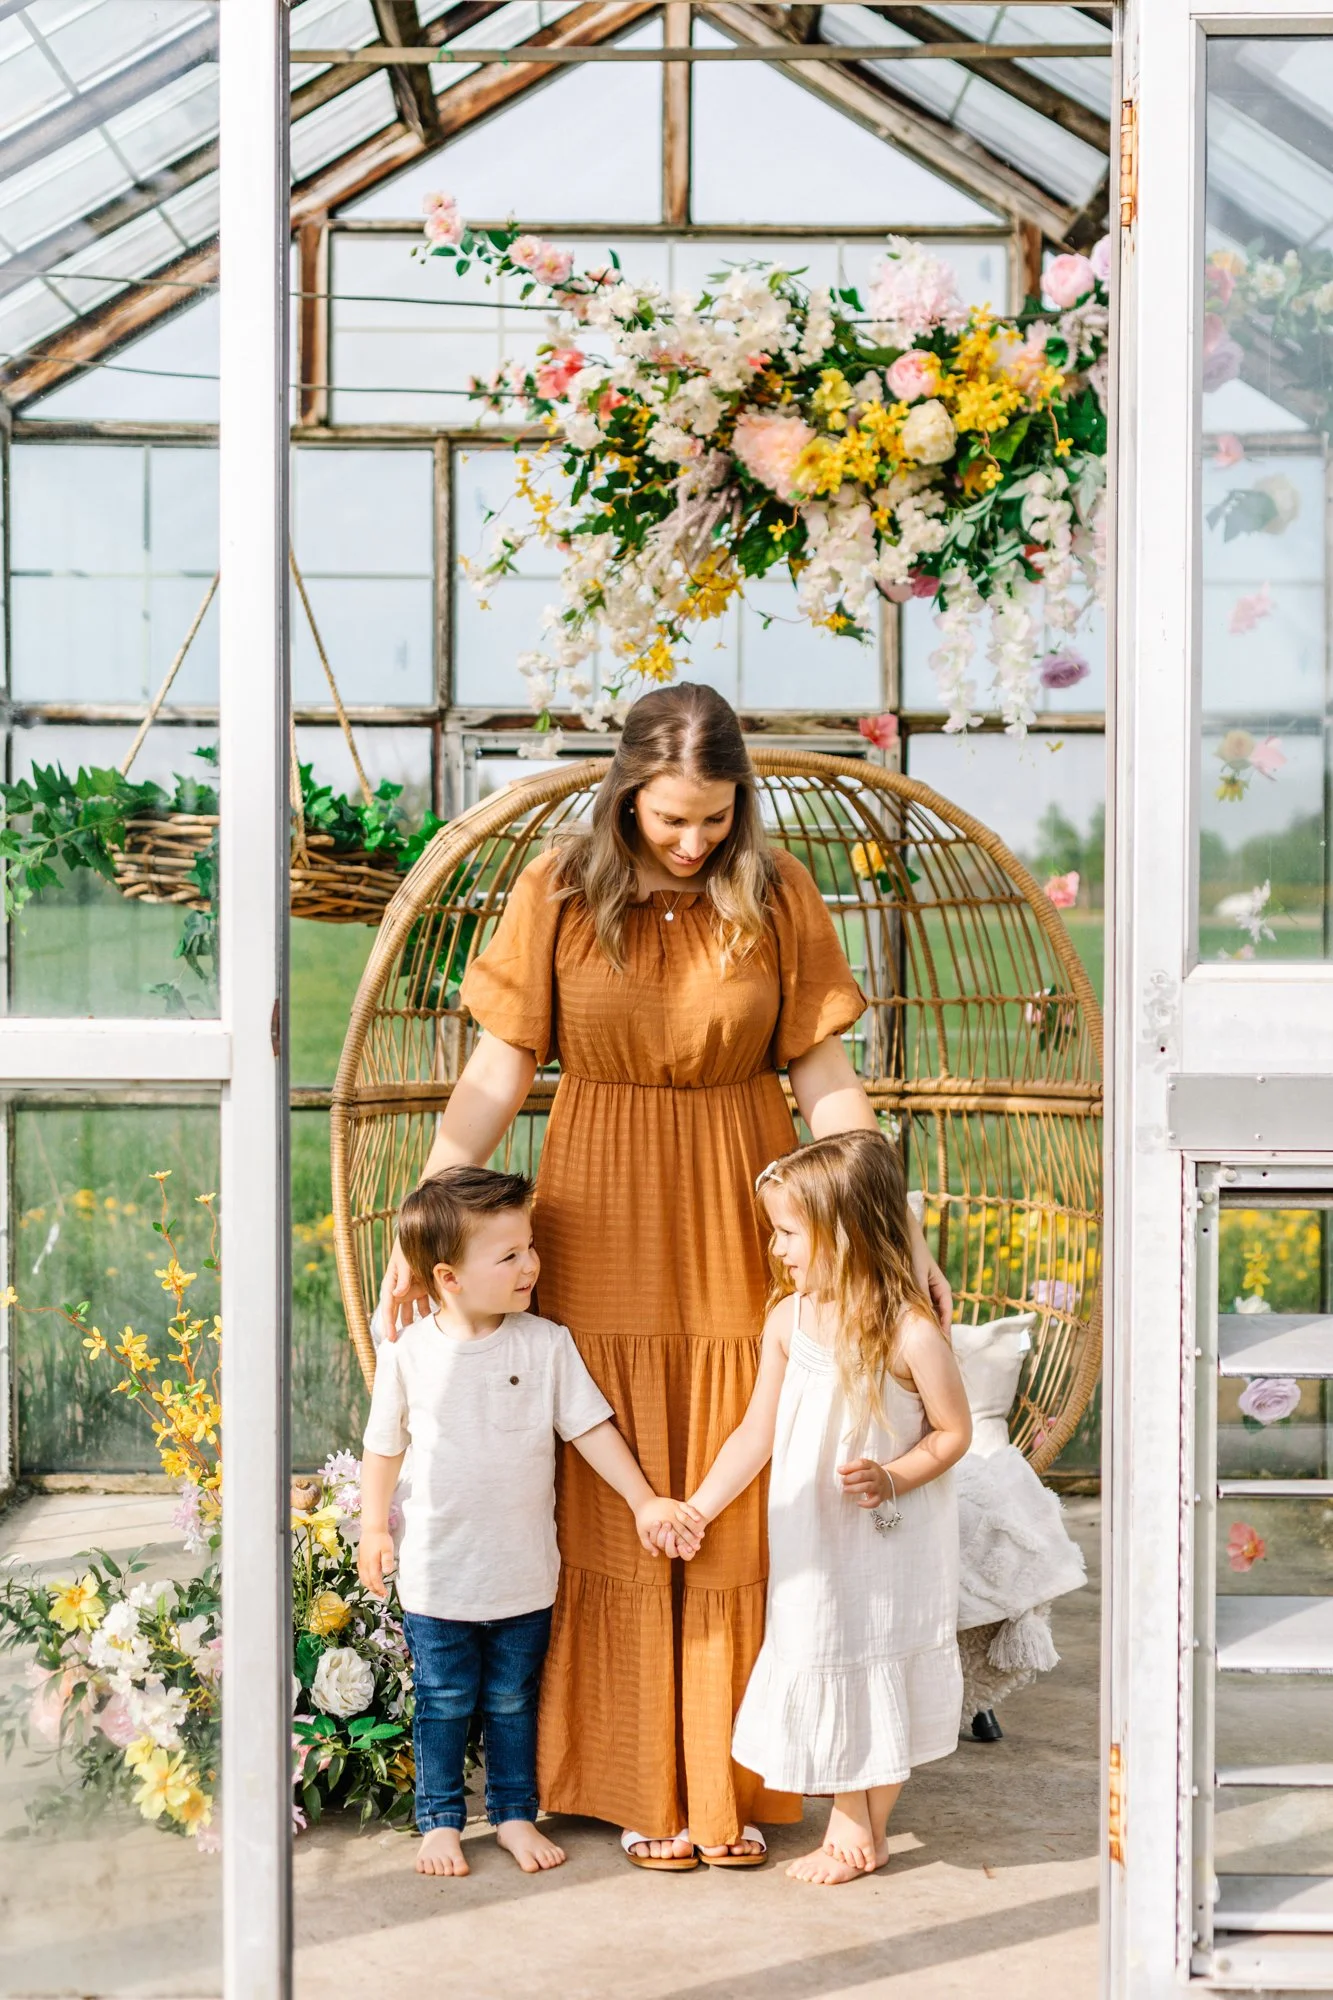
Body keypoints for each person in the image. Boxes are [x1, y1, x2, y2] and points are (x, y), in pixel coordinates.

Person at [377, 681, 951, 1868]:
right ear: (625, 790)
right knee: (612, 1464)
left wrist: (899, 1234)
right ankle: (636, 1772)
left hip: (748, 1201)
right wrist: (422, 1220)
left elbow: (825, 1079)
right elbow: (495, 1071)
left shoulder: (778, 891)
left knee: (750, 1467)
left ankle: (733, 1774)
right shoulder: (557, 889)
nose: (692, 842)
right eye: (669, 818)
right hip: (596, 1201)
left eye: (713, 818)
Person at [358, 1165, 698, 1879]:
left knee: (513, 1702)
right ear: (448, 1278)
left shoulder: (544, 1343)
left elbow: (591, 1429)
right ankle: (441, 1820)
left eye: (531, 1246)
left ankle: (513, 1813)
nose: (531, 1265)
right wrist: (373, 1530)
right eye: (509, 1255)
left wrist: (644, 1501)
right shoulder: (411, 1354)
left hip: (523, 1577)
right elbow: (382, 1446)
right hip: (437, 1578)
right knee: (444, 1703)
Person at [682, 1131, 971, 1885]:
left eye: (787, 1232)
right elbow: (756, 1431)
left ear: (846, 1230)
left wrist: (895, 1475)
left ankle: (854, 1821)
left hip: (888, 1537)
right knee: (827, 1649)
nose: (776, 1249)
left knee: (879, 1654)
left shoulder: (910, 1334)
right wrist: (700, 1507)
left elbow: (952, 1433)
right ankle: (865, 1826)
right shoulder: (788, 1322)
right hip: (812, 1543)